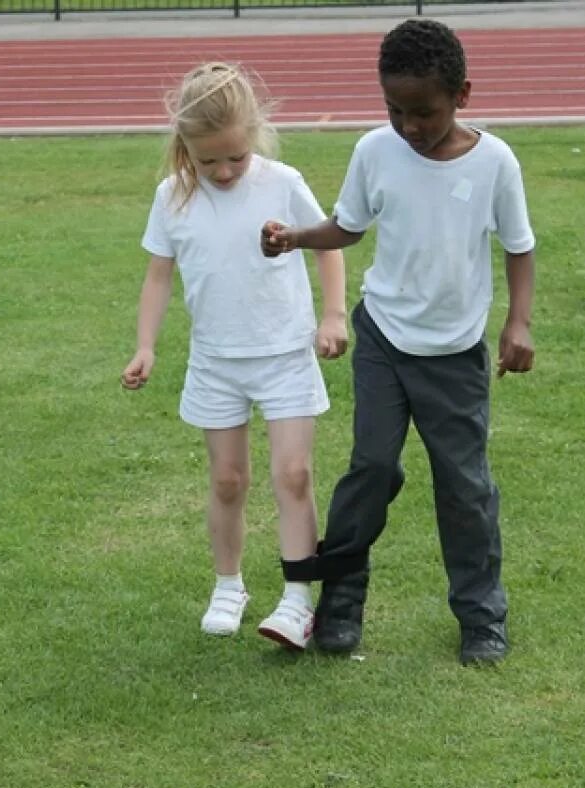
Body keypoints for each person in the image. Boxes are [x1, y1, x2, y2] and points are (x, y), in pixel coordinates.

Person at [260, 19, 535, 665]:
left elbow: (518, 248)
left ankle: (480, 616)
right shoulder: (373, 151)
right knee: (372, 468)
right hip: (384, 336)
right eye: (395, 109)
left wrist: (517, 323)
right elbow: (347, 228)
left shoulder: (494, 162)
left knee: (463, 485)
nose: (409, 125)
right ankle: (341, 599)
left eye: (424, 111)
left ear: (462, 94)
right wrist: (295, 237)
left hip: (455, 353)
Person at [121, 62, 349, 651]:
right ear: (184, 149)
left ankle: (298, 600)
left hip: (284, 355)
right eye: (207, 162)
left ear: (255, 138)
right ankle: (229, 585)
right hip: (216, 361)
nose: (223, 171)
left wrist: (333, 314)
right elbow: (157, 276)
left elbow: (327, 246)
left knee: (293, 475)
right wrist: (146, 345)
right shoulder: (170, 198)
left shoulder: (282, 182)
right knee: (228, 480)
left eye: (235, 159)